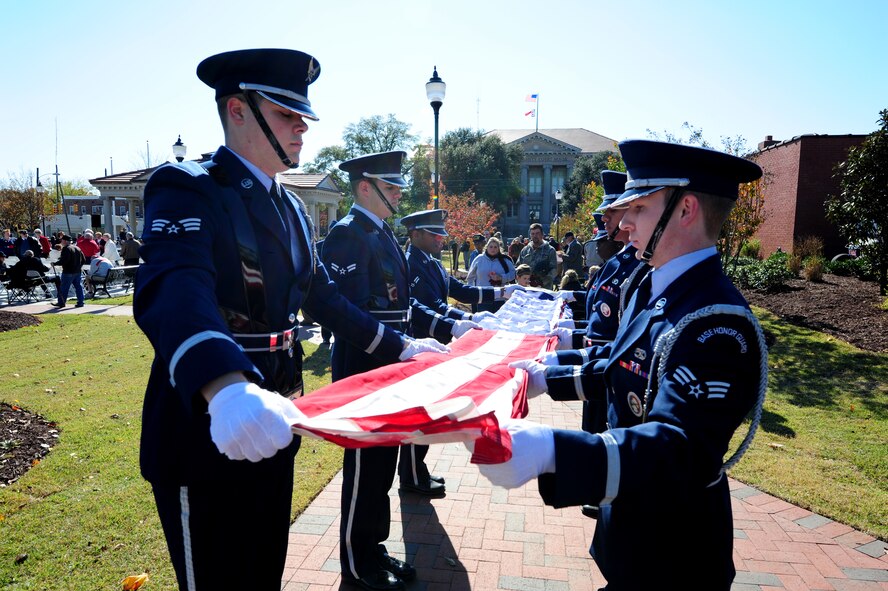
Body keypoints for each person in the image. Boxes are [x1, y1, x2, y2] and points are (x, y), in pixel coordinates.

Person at [132, 49, 445, 591]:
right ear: (236, 110)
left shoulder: (293, 207)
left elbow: (323, 299)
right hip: (208, 425)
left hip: (278, 418)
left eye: (302, 115)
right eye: (284, 113)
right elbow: (175, 288)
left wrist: (400, 346)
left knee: (262, 576)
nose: (301, 127)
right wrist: (225, 385)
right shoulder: (189, 186)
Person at [481, 140, 768, 590]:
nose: (623, 222)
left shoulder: (717, 324)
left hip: (675, 554)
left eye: (641, 206)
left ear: (686, 209)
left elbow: (678, 449)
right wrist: (540, 377)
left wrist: (551, 452)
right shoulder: (661, 288)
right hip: (634, 535)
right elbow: (619, 363)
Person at [321, 152, 477, 591]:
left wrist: (435, 331)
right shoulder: (349, 233)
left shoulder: (381, 233)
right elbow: (346, 313)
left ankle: (373, 545)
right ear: (365, 187)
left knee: (382, 465)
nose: (397, 197)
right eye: (390, 189)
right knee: (363, 469)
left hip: (392, 366)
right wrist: (398, 344)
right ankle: (356, 560)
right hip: (363, 369)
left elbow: (399, 302)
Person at [465, 237, 517, 313]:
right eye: (491, 247)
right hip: (483, 297)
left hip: (500, 298)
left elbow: (513, 274)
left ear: (499, 248)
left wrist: (501, 278)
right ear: (486, 247)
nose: (493, 249)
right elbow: (470, 278)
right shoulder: (479, 259)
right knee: (483, 322)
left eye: (495, 247)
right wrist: (473, 292)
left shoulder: (505, 260)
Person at [517, 223, 558, 288]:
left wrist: (542, 282)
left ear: (542, 234)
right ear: (530, 235)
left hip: (544, 288)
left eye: (537, 233)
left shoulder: (550, 250)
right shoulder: (525, 250)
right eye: (532, 234)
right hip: (526, 288)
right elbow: (518, 267)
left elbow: (554, 270)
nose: (535, 236)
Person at [52, 235, 85, 308]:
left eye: (62, 240)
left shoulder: (66, 249)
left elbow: (64, 260)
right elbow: (83, 260)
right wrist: (78, 266)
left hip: (68, 271)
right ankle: (81, 301)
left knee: (64, 287)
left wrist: (55, 263)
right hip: (77, 271)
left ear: (65, 241)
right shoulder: (77, 248)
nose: (61, 242)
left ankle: (61, 302)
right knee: (78, 287)